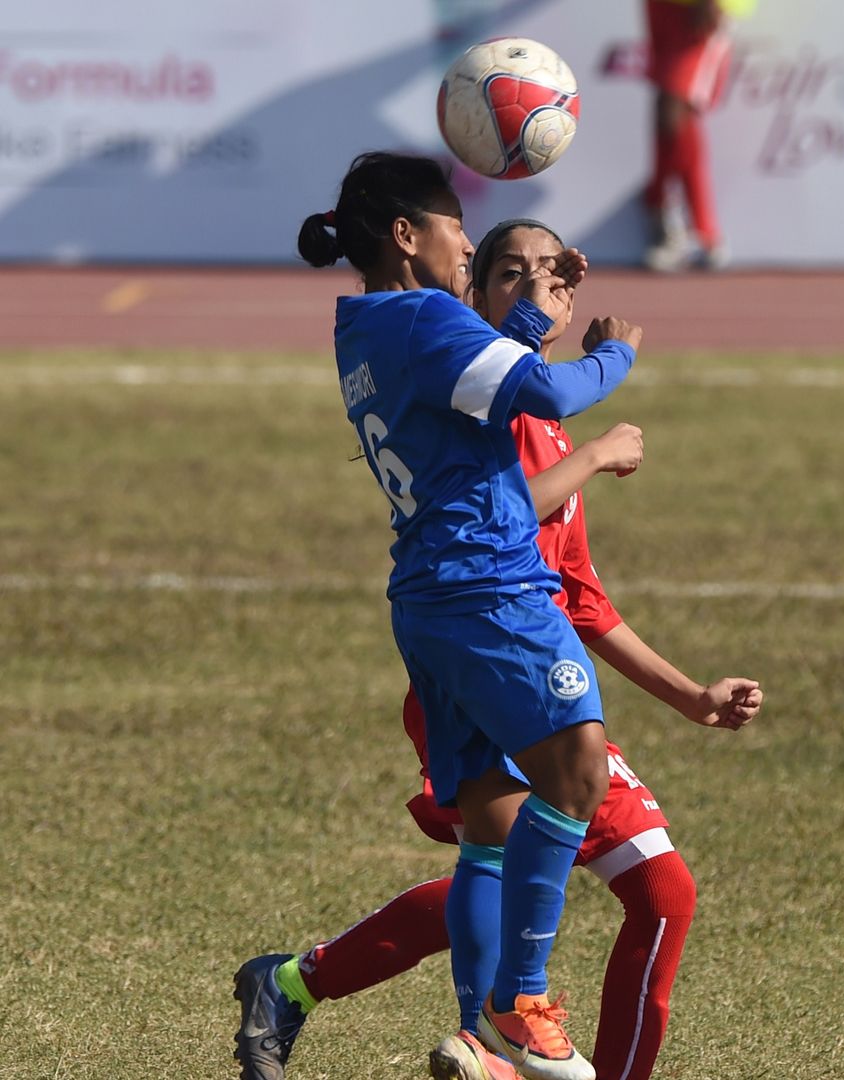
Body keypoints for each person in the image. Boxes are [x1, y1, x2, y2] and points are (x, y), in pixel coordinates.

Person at [237, 217, 763, 1080]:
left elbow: (583, 598)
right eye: (507, 272)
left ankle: (318, 987)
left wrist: (691, 695)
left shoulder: (526, 392)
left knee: (525, 865)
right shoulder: (491, 392)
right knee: (637, 884)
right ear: (471, 291)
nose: (530, 286)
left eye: (546, 272)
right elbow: (501, 507)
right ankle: (497, 1030)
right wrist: (595, 453)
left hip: (514, 652)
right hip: (496, 656)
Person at [289, 152, 646, 1080]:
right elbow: (551, 393)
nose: (463, 239)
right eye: (454, 223)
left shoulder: (367, 323)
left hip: (431, 600)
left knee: (492, 824)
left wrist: (529, 319)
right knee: (577, 771)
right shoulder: (424, 316)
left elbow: (474, 382)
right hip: (489, 584)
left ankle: (481, 1034)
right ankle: (518, 1002)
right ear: (408, 235)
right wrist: (614, 353)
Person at [639, 0, 755, 272]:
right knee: (668, 109)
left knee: (675, 107)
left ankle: (682, 221)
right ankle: (695, 228)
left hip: (698, 7)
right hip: (663, 6)